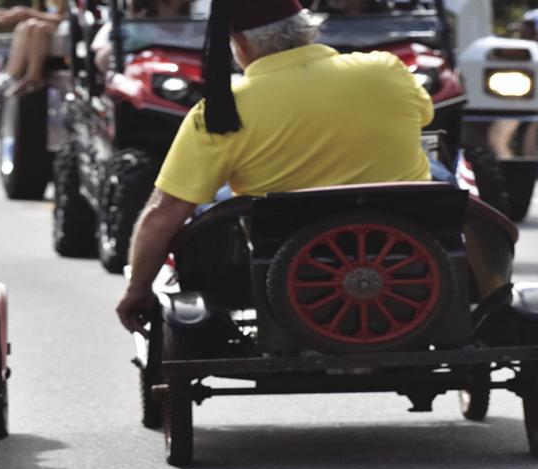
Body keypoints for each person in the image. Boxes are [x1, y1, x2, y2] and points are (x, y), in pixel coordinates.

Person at [116, 0, 434, 332]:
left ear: (240, 43)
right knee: (437, 171)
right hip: (404, 259)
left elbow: (164, 212)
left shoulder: (223, 109)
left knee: (213, 200)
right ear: (308, 29)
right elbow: (425, 117)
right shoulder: (387, 68)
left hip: (288, 276)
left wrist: (138, 289)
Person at [0, 3, 65, 96]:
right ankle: (11, 74)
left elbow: (63, 18)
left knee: (38, 27)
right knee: (24, 26)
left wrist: (29, 13)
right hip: (47, 29)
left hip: (63, 28)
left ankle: (33, 76)